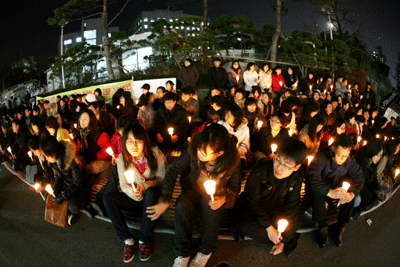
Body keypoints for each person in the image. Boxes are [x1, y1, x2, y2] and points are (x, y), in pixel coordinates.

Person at [147, 124, 241, 267]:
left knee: (212, 209)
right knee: (182, 205)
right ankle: (183, 253)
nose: (199, 153)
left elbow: (235, 187)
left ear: (219, 153)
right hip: (194, 188)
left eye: (204, 153)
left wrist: (225, 198)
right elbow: (173, 170)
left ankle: (205, 251)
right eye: (198, 148)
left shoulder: (232, 161)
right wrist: (165, 199)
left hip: (217, 193)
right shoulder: (195, 151)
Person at [102, 123, 166, 263]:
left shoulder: (156, 154)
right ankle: (128, 239)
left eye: (138, 141)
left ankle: (144, 239)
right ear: (124, 142)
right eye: (130, 141)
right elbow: (124, 185)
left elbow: (162, 180)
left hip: (151, 200)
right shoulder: (121, 159)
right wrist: (132, 193)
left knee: (151, 193)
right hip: (133, 198)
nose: (134, 146)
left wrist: (146, 184)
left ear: (145, 141)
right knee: (107, 198)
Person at [234, 138, 307, 256]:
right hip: (255, 210)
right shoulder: (260, 170)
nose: (279, 167)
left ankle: (280, 240)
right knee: (245, 226)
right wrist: (269, 228)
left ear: (296, 167)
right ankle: (285, 238)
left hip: (276, 209)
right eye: (278, 160)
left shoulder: (296, 178)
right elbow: (253, 202)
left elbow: (292, 207)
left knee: (296, 220)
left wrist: (282, 241)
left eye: (286, 165)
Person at [306, 134, 364, 248]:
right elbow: (311, 177)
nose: (343, 158)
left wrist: (351, 194)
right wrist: (329, 192)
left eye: (345, 156)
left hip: (336, 186)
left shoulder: (349, 160)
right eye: (340, 155)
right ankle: (322, 228)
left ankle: (340, 227)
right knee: (318, 194)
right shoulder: (322, 156)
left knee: (349, 194)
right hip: (322, 187)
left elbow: (359, 178)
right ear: (333, 149)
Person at [40, 135, 83, 225]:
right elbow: (58, 177)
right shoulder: (54, 161)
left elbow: (78, 182)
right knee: (50, 195)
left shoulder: (71, 159)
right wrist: (56, 189)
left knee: (73, 206)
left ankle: (71, 213)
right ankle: (66, 212)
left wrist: (64, 196)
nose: (46, 158)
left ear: (53, 153)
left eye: (47, 156)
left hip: (78, 187)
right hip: (67, 184)